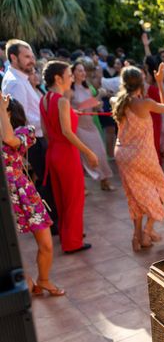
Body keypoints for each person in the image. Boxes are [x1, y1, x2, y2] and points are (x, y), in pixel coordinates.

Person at [1, 95, 64, 296]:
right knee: (8, 249)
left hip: (23, 192)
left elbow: (9, 140)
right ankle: (27, 281)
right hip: (4, 194)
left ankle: (43, 279)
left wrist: (2, 110)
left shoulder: (25, 131)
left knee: (45, 243)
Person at [112, 65, 164, 251]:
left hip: (122, 154)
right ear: (141, 82)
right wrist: (161, 81)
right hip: (141, 154)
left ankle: (136, 237)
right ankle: (147, 231)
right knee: (159, 188)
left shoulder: (116, 101)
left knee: (135, 195)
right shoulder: (144, 103)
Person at [40, 61, 97, 254]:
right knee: (74, 198)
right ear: (58, 78)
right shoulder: (62, 101)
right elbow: (67, 131)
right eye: (69, 75)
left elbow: (46, 131)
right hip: (66, 153)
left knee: (62, 199)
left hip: (53, 153)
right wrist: (88, 152)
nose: (71, 78)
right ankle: (73, 242)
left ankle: (69, 236)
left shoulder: (45, 99)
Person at [2, 39, 59, 233]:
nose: (32, 61)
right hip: (31, 142)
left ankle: (53, 224)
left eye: (32, 56)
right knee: (44, 183)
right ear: (13, 57)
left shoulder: (22, 79)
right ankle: (51, 225)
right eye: (27, 57)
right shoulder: (15, 82)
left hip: (36, 138)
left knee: (47, 182)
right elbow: (20, 119)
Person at [68, 61, 115, 190]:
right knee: (84, 156)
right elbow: (74, 109)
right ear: (73, 73)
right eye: (79, 70)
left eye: (83, 70)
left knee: (100, 152)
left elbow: (91, 107)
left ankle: (104, 181)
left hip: (91, 124)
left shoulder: (87, 87)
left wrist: (97, 106)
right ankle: (83, 186)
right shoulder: (70, 91)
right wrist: (98, 96)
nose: (83, 73)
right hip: (79, 127)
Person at [143, 55, 164, 163]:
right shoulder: (145, 77)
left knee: (154, 142)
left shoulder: (155, 78)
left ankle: (157, 166)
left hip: (154, 115)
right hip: (145, 115)